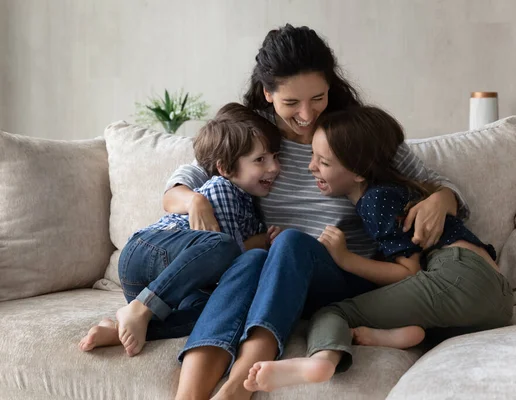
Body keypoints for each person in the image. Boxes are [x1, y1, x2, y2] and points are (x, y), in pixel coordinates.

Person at [165, 25, 471, 400]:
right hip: (273, 278)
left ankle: (236, 387)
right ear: (267, 93)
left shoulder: (353, 134)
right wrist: (194, 201)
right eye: (291, 103)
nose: (307, 115)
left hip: (343, 276)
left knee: (290, 242)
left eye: (318, 98)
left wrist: (440, 199)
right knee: (248, 260)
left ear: (331, 87)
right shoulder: (253, 136)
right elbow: (177, 187)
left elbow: (440, 185)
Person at [243, 106, 514, 393]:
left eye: (323, 162)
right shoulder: (390, 193)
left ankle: (321, 360)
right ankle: (399, 335)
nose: (311, 167)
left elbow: (409, 273)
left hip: (460, 276)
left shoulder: (375, 201)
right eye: (313, 156)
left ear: (359, 172)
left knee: (333, 313)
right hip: (495, 303)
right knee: (402, 314)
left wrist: (345, 258)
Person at [78, 103, 281, 357]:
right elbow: (231, 261)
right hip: (147, 250)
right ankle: (141, 308)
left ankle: (120, 329)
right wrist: (260, 242)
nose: (274, 168)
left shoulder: (249, 203)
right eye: (260, 160)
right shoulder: (222, 187)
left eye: (275, 157)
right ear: (226, 168)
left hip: (170, 286)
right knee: (223, 245)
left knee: (215, 310)